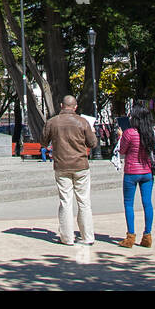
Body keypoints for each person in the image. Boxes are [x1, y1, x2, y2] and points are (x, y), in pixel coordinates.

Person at [40, 95, 98, 245]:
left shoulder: (52, 122)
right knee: (84, 201)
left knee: (65, 201)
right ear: (75, 107)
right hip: (80, 166)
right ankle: (88, 236)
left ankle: (67, 238)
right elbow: (92, 143)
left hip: (62, 165)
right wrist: (91, 131)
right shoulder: (82, 122)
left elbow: (43, 141)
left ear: (61, 105)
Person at [117, 104, 155, 248]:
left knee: (129, 203)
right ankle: (147, 236)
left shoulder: (129, 133)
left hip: (131, 172)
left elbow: (122, 151)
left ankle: (130, 237)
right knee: (147, 203)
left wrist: (120, 136)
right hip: (147, 172)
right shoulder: (150, 133)